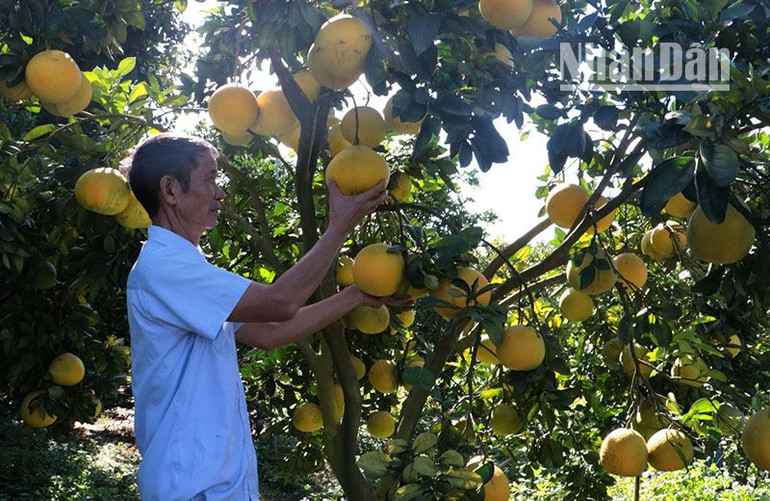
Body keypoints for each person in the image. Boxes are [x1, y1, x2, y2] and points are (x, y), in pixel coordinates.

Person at [124, 133, 401, 500]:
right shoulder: (165, 268)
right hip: (192, 486)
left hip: (216, 484)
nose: (220, 192)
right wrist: (339, 226)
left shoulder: (186, 268)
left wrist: (355, 295)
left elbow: (268, 331)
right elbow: (280, 303)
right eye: (210, 178)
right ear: (171, 190)